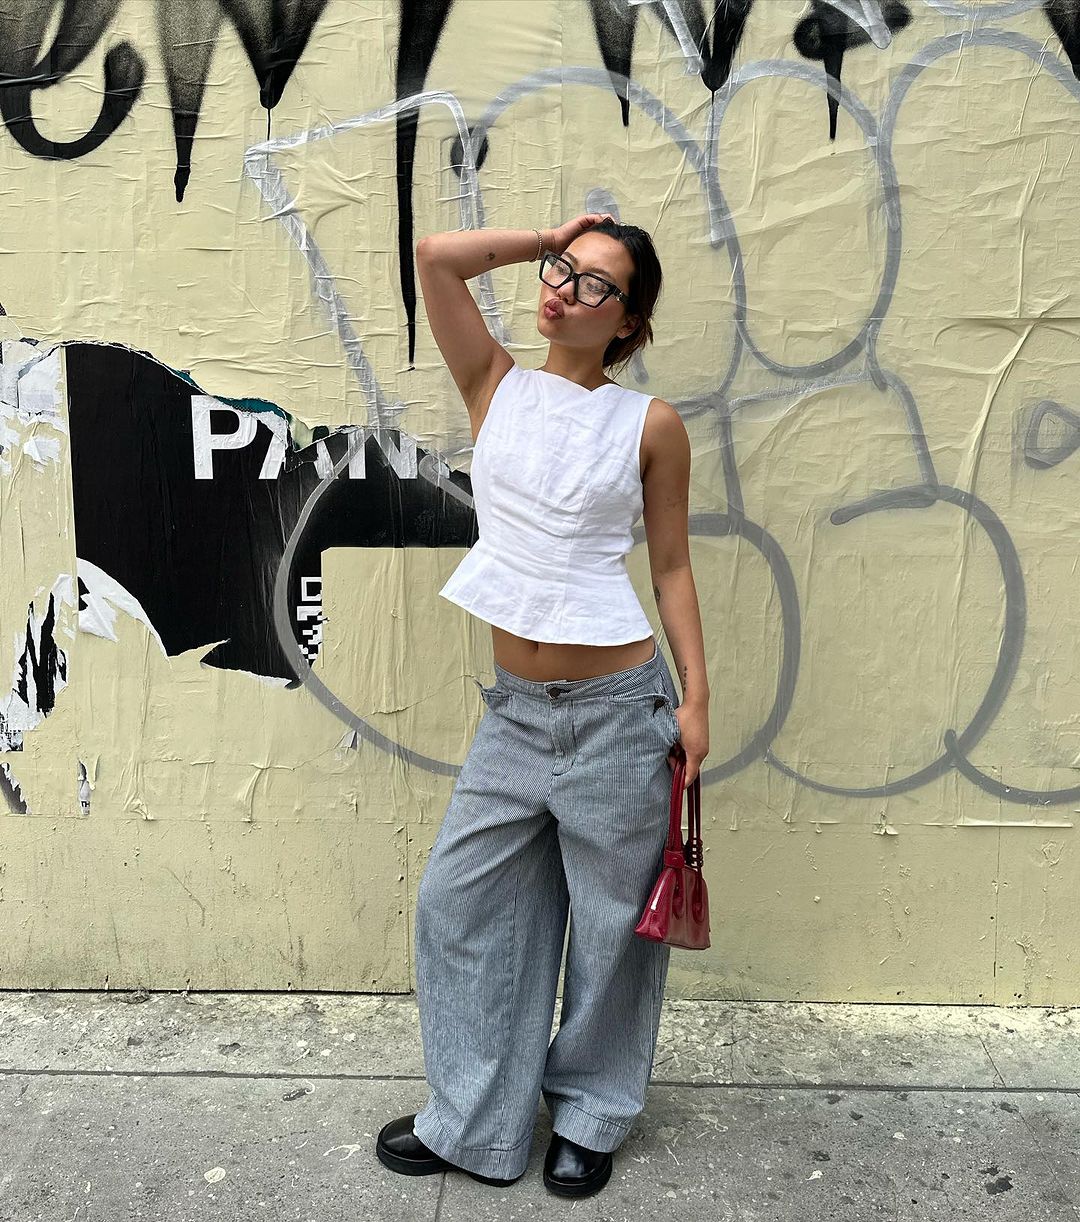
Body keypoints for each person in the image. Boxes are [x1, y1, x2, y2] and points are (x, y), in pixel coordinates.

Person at [375, 214, 710, 1198]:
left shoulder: (650, 425)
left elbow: (673, 567)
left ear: (629, 322)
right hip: (517, 714)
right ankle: (476, 1119)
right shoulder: (495, 383)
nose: (565, 288)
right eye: (564, 270)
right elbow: (436, 258)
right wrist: (542, 239)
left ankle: (590, 1114)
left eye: (595, 283)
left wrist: (697, 698)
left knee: (612, 931)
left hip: (619, 710)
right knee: (457, 903)